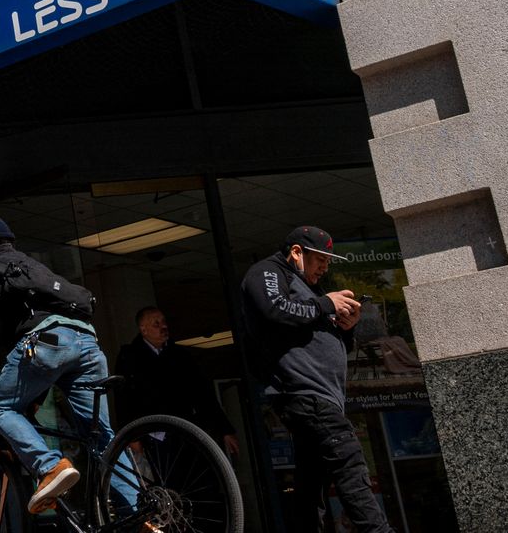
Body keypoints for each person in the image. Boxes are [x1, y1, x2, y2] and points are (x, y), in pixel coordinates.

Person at [0, 215, 134, 516]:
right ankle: (141, 511)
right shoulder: (33, 268)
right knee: (101, 434)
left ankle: (50, 467)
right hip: (87, 342)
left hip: (48, 344)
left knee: (1, 409)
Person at [241, 225, 392, 533]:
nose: (325, 267)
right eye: (320, 258)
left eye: (328, 260)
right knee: (349, 463)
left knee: (312, 483)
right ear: (297, 252)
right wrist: (326, 304)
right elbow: (275, 309)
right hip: (304, 394)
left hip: (321, 397)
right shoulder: (268, 271)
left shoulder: (306, 288)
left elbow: (316, 333)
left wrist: (345, 327)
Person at [116, 306, 240, 457]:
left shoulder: (180, 356)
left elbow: (202, 393)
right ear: (144, 329)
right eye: (156, 324)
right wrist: (132, 437)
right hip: (151, 434)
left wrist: (224, 429)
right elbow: (124, 399)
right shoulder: (130, 357)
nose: (163, 327)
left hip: (184, 430)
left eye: (164, 322)